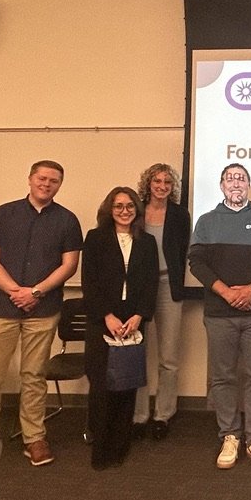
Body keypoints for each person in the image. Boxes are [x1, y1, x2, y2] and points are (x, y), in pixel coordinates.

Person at [0, 160, 83, 467]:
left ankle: (34, 438)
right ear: (30, 179)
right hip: (1, 308)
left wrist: (36, 292)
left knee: (34, 376)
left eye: (54, 180)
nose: (47, 184)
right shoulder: (3, 213)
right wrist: (15, 291)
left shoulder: (68, 220)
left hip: (43, 309)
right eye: (42, 178)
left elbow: (69, 266)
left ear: (60, 185)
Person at [188, 163, 251, 471]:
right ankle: (230, 436)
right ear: (221, 186)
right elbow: (196, 262)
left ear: (248, 185)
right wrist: (227, 293)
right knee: (223, 377)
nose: (235, 183)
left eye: (241, 178)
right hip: (219, 313)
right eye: (229, 178)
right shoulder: (207, 221)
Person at [82, 187, 159, 470]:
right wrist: (107, 316)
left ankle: (120, 446)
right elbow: (89, 282)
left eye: (129, 206)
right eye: (118, 206)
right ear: (109, 209)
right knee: (102, 385)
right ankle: (101, 448)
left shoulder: (147, 242)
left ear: (137, 210)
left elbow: (151, 283)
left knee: (126, 385)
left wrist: (139, 316)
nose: (124, 211)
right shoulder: (95, 238)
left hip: (132, 320)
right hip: (103, 320)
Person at [132, 163, 191, 441]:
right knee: (137, 353)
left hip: (169, 286)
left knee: (168, 357)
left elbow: (182, 251)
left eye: (168, 182)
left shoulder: (180, 215)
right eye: (157, 181)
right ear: (148, 184)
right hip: (139, 288)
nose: (162, 186)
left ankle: (163, 414)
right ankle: (139, 415)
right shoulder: (135, 211)